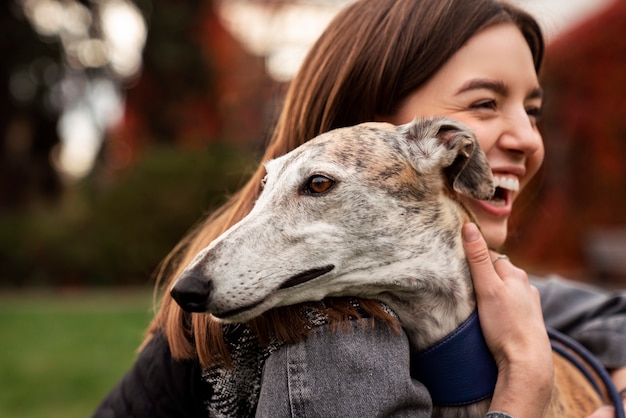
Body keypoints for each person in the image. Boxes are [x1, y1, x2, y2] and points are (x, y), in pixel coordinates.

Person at [93, 0, 626, 417]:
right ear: (367, 123)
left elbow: (601, 317)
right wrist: (524, 395)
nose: (529, 139)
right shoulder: (336, 338)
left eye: (533, 110)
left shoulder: (472, 282)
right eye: (484, 102)